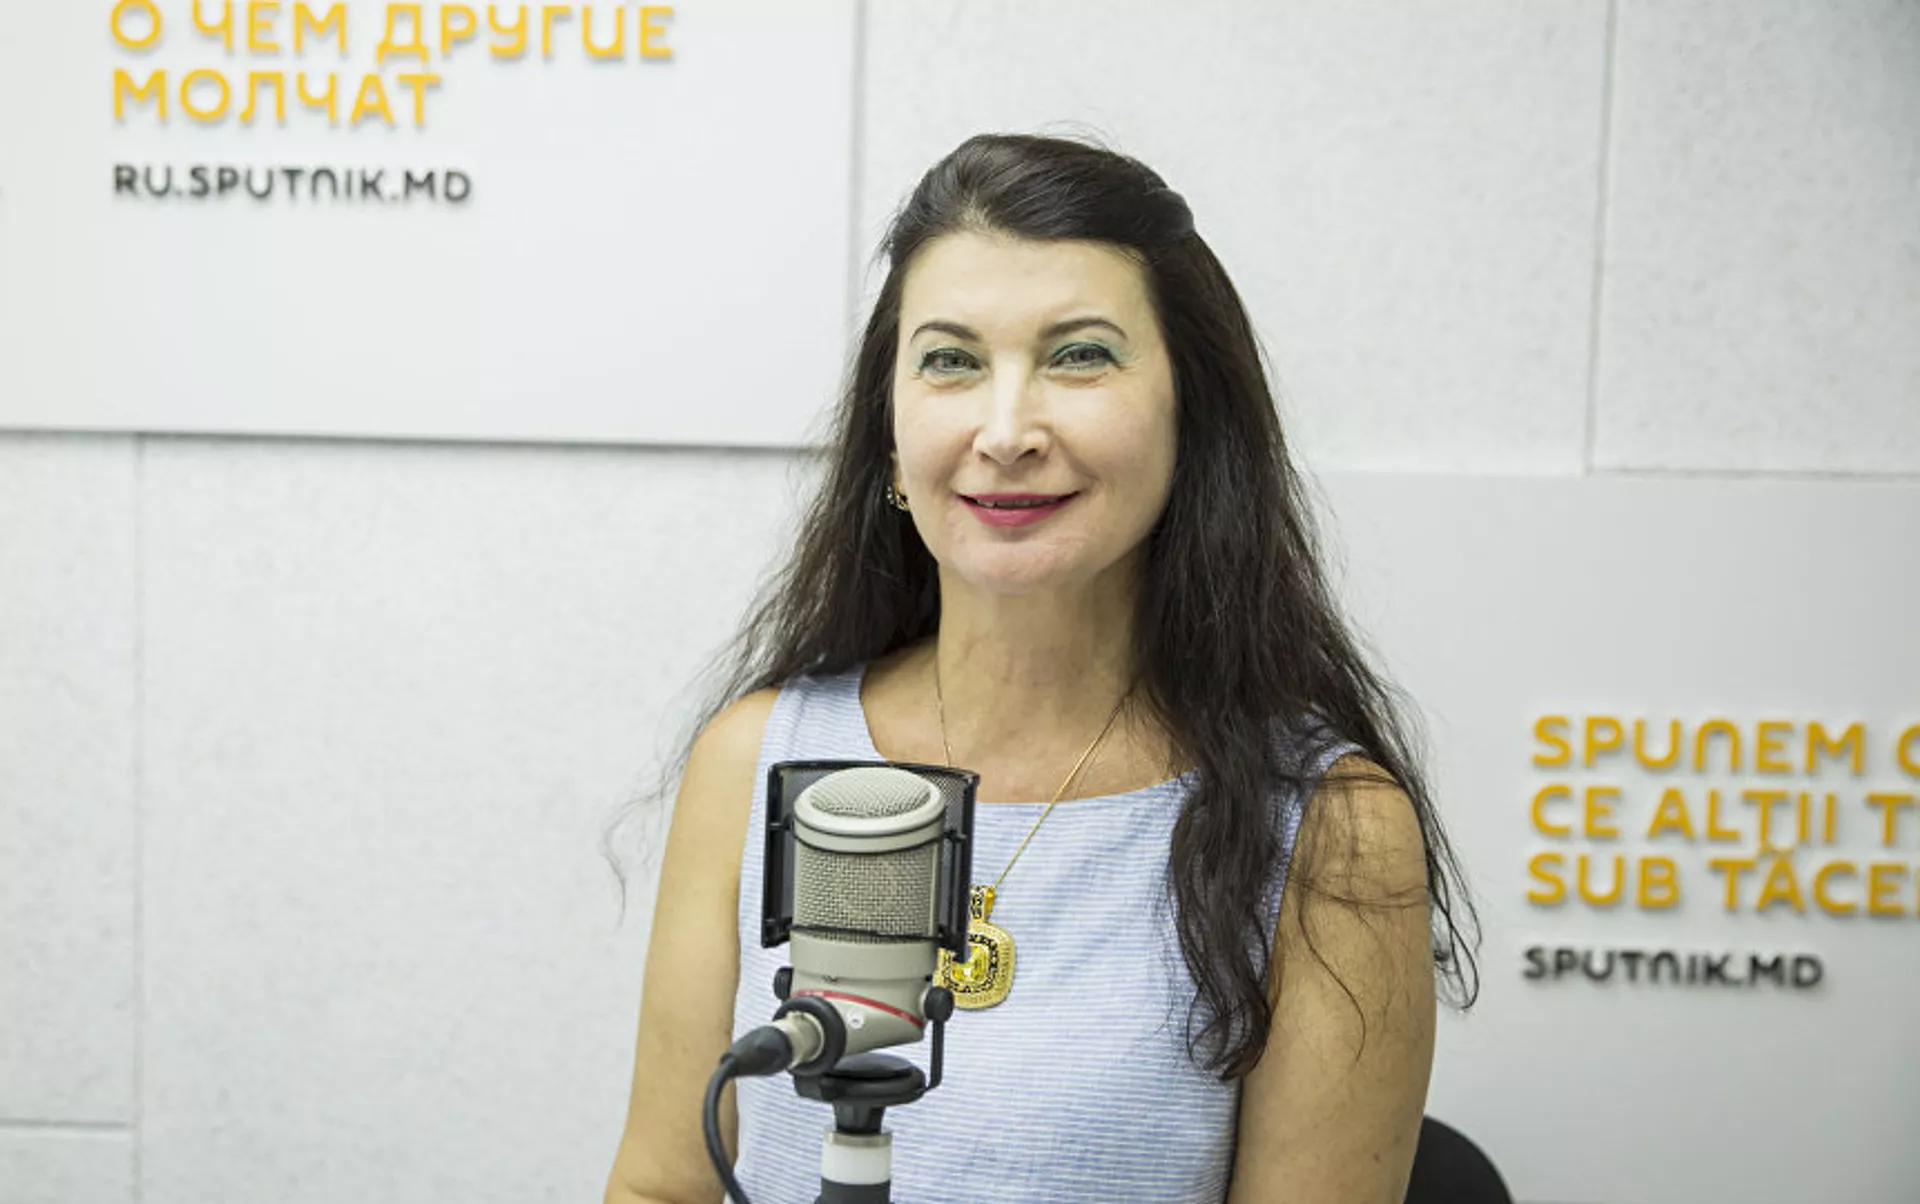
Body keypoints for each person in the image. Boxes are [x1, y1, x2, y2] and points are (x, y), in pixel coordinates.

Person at [603, 131, 1477, 1204]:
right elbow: (661, 1186)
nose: (1006, 430)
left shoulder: (1333, 827)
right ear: (890, 435)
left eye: (1079, 356)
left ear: (1193, 417)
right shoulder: (754, 759)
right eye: (951, 361)